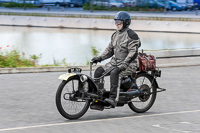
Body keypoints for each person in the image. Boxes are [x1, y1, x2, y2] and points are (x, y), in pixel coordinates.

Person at [92, 11, 141, 107]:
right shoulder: (115, 35)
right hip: (115, 62)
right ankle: (98, 96)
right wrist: (99, 58)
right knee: (98, 71)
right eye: (115, 22)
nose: (116, 24)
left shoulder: (131, 35)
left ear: (126, 23)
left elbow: (133, 52)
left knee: (115, 73)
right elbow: (109, 50)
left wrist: (125, 63)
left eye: (119, 22)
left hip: (130, 64)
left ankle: (113, 98)